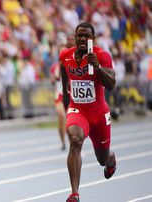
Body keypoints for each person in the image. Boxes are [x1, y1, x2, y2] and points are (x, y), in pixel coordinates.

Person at [60, 22, 117, 202]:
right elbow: (65, 79)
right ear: (75, 37)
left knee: (102, 158)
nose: (83, 39)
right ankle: (74, 194)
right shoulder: (65, 55)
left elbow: (111, 85)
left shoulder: (102, 56)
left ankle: (111, 159)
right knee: (75, 140)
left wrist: (98, 68)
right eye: (80, 36)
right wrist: (66, 104)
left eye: (87, 36)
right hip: (78, 110)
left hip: (99, 113)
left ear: (93, 39)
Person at [50, 35, 75, 151]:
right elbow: (52, 80)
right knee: (61, 117)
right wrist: (54, 78)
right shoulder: (55, 67)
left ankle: (71, 141)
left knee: (70, 120)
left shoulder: (73, 62)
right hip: (59, 95)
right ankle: (62, 142)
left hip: (70, 94)